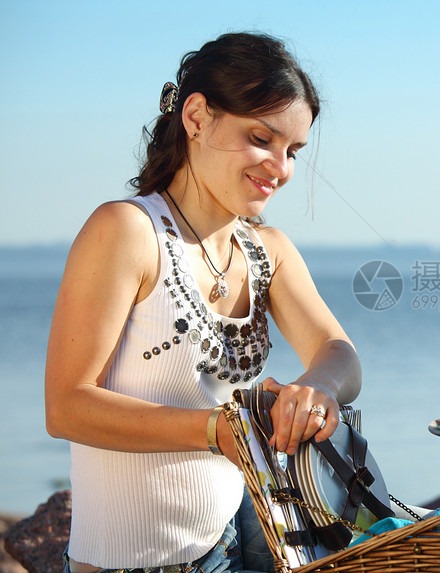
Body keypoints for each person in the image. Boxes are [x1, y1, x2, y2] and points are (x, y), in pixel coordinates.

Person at [44, 32, 361, 573]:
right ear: (196, 117)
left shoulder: (268, 252)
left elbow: (339, 352)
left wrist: (319, 389)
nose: (281, 168)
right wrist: (216, 432)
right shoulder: (127, 231)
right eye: (262, 138)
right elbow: (67, 406)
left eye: (293, 151)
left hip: (234, 547)